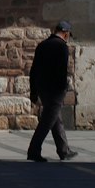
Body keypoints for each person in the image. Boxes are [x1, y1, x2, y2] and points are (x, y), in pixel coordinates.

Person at [27, 20, 78, 162]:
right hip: (55, 90)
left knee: (56, 120)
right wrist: (63, 88)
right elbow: (61, 71)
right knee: (47, 121)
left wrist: (33, 91)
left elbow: (34, 70)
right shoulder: (62, 47)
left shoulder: (42, 45)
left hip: (43, 88)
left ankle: (64, 150)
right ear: (66, 33)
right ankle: (33, 151)